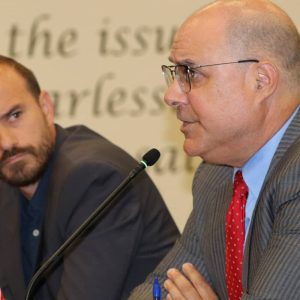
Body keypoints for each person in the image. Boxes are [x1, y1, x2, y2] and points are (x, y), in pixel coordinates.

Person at [129, 0, 300, 299]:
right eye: (175, 74)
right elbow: (154, 290)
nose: (170, 95)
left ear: (261, 81)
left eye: (191, 73)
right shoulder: (216, 176)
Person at [0, 55, 180, 300]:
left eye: (15, 115)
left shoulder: (94, 178)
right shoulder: (6, 184)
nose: (7, 142)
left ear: (45, 107)